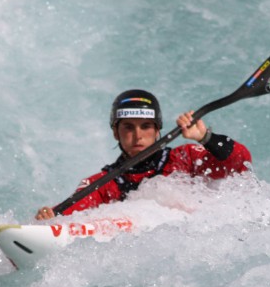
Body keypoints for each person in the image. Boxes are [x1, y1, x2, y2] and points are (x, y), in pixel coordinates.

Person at [35, 89, 252, 219]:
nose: (138, 136)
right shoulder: (103, 184)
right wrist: (50, 217)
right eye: (128, 127)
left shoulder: (185, 157)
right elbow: (68, 216)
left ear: (158, 130)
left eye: (146, 126)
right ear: (115, 133)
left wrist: (206, 138)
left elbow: (240, 164)